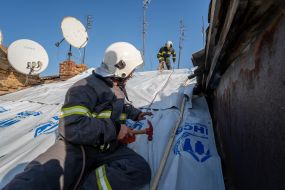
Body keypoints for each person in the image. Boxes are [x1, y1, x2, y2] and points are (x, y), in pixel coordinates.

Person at [4, 42, 152, 190]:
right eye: (132, 70)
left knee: (137, 169)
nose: (132, 75)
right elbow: (73, 126)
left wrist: (137, 114)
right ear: (123, 68)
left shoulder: (117, 89)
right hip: (76, 148)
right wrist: (115, 129)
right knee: (37, 178)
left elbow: (122, 107)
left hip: (109, 148)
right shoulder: (84, 88)